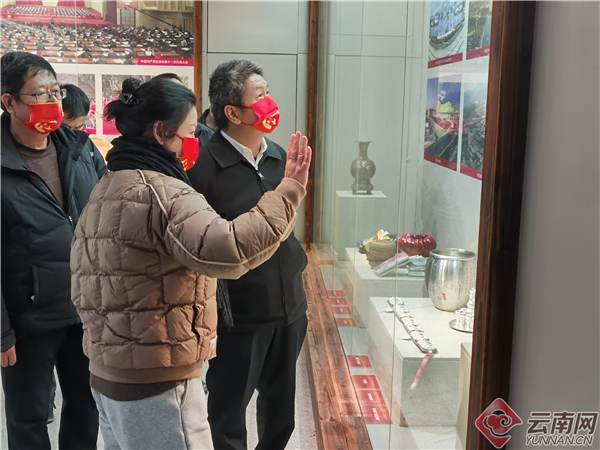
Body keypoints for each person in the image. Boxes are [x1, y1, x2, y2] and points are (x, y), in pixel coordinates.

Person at [71, 77, 311, 450]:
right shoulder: (162, 192)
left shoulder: (110, 184)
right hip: (156, 375)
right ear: (161, 131)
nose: (196, 140)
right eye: (190, 131)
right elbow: (229, 249)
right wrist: (290, 191)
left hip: (115, 367)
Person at [187, 59, 309, 450]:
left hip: (289, 309)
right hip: (237, 316)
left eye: (268, 92)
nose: (270, 102)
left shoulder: (280, 157)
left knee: (281, 414)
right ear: (233, 112)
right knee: (227, 414)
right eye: (260, 96)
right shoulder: (201, 165)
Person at [1, 52, 104, 450]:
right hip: (29, 319)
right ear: (9, 102)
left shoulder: (79, 150)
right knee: (28, 418)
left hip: (86, 311)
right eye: (39, 94)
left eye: (55, 92)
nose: (52, 102)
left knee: (86, 409)